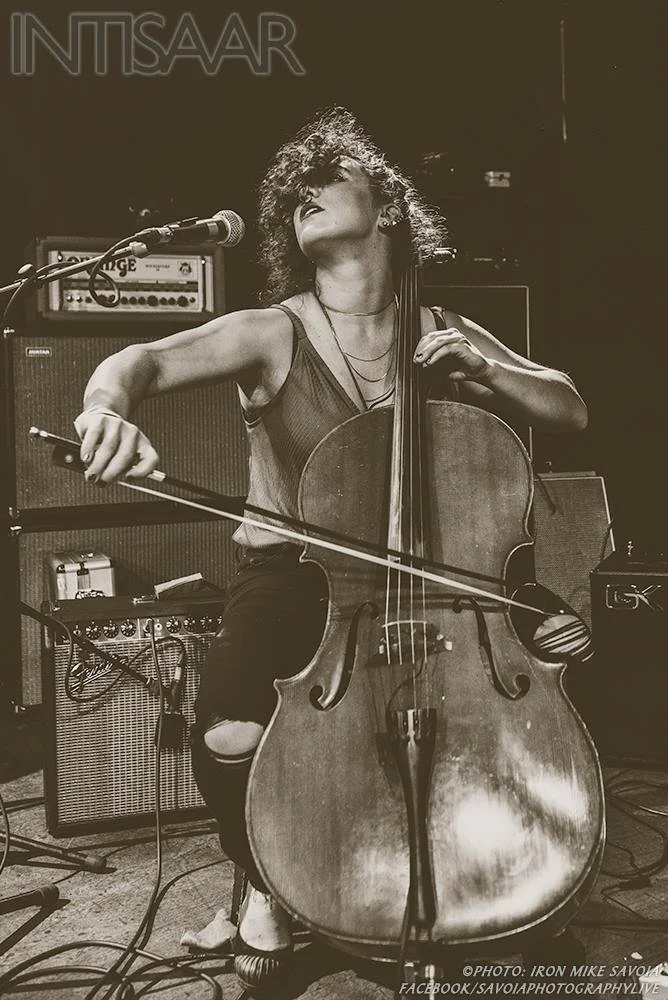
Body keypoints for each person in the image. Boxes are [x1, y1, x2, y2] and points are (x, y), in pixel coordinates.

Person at [74, 107, 589, 993]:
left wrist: (490, 371)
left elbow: (569, 408)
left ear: (387, 206)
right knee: (231, 731)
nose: (302, 190)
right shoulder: (272, 332)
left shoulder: (445, 327)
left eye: (330, 174)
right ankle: (270, 883)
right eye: (292, 194)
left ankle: (471, 872)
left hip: (437, 583)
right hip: (295, 576)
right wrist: (102, 409)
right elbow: (142, 363)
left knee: (545, 648)